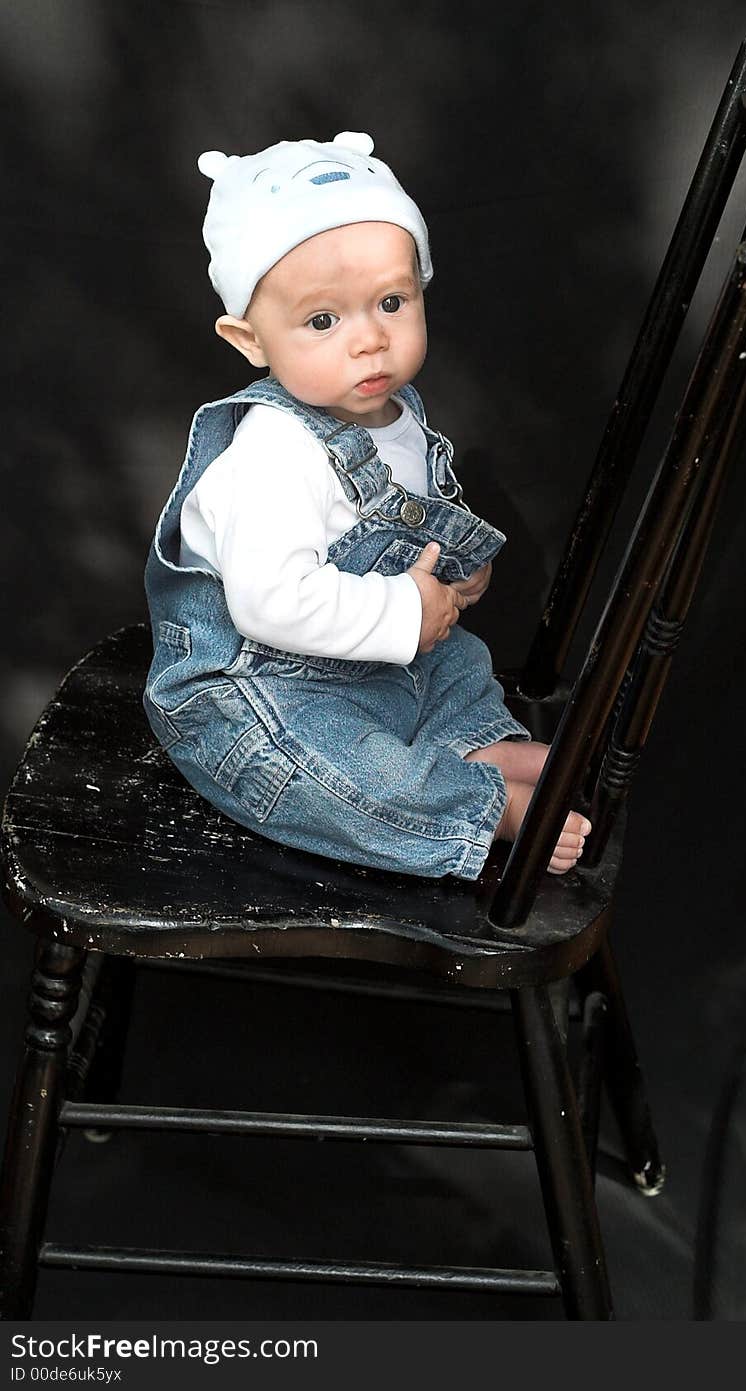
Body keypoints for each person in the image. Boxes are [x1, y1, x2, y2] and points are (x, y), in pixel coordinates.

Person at [143, 132, 590, 880]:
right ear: (249, 340)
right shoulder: (276, 454)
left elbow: (401, 520)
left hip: (367, 663)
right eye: (324, 321)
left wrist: (449, 576)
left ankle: (470, 742)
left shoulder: (392, 410)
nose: (371, 342)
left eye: (390, 302)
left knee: (457, 664)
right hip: (260, 691)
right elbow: (269, 603)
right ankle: (487, 806)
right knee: (327, 776)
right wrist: (406, 613)